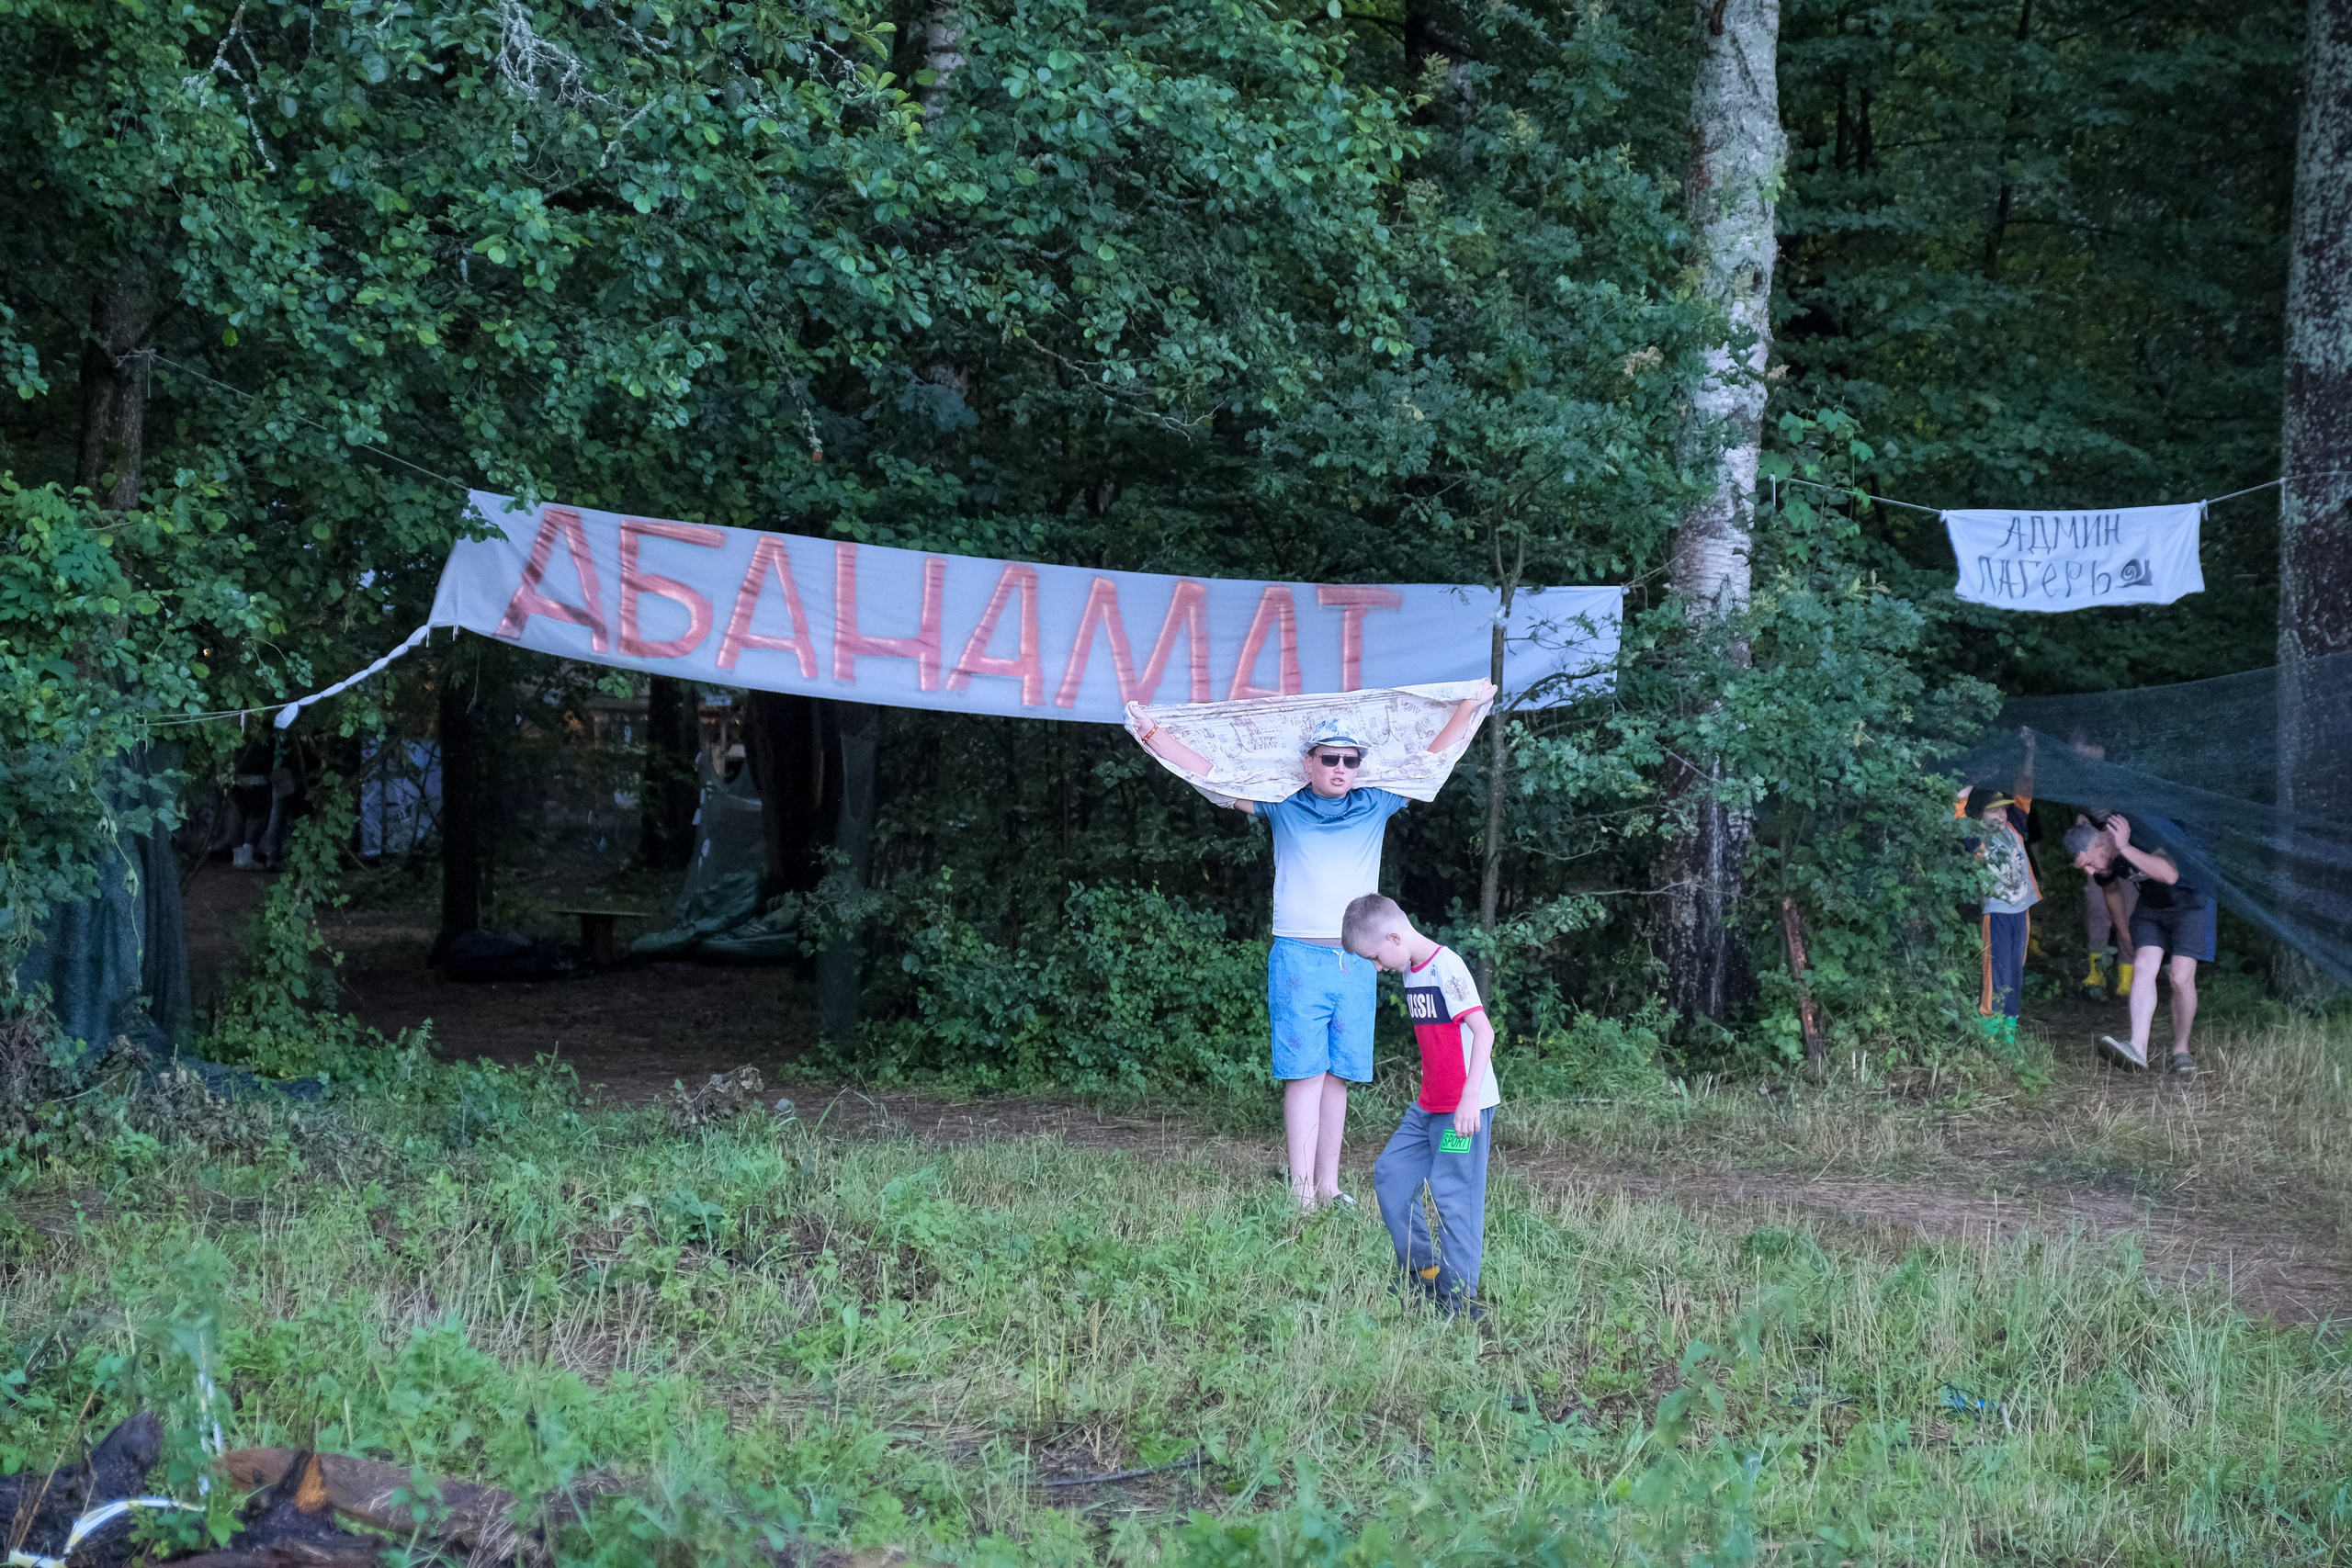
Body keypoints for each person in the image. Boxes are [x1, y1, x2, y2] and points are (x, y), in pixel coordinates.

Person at [1130, 682, 1493, 1210]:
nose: (1341, 768)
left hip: (1358, 962)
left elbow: (1431, 760)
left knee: (1340, 1074)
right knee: (1304, 1073)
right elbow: (1212, 775)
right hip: (1298, 957)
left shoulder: (1376, 804)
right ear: (1309, 763)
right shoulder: (1284, 806)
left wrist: (1469, 706)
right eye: (1330, 760)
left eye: (1350, 759)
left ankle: (1329, 1185)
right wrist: (1153, 734)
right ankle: (1300, 1190)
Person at [1341, 893, 1496, 1318]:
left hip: (1464, 1110)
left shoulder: (1447, 966)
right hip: (1430, 1106)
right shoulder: (1411, 970)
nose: (1377, 967)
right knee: (1391, 1175)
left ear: (1394, 936)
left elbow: (1484, 1034)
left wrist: (1468, 1099)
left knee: (1454, 1196)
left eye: (1375, 957)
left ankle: (1459, 1299)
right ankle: (1423, 1273)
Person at [2064, 813, 2209, 1078]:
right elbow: (2111, 891)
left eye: (2088, 864)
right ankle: (2137, 1048)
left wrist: (2126, 847)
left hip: (2191, 903)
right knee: (2143, 965)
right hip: (2151, 906)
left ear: (2099, 846)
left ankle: (2181, 1049)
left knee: (2180, 977)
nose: (2090, 871)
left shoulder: (2137, 832)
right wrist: (2123, 932)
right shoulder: (2104, 861)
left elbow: (2170, 875)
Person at [1968, 791, 2040, 1036]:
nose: (2001, 814)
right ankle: (1989, 1026)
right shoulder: (1975, 836)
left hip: (2021, 910)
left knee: (2015, 971)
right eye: (1993, 810)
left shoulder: (2013, 826)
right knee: (1997, 971)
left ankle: (2009, 1026)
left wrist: (2029, 753)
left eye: (2003, 809)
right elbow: (1956, 813)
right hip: (1997, 911)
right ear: (1979, 814)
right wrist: (1971, 781)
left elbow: (2024, 795)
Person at [2075, 810, 2137, 997]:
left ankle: (2127, 975)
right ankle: (2097, 972)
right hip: (2096, 846)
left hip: (2129, 845)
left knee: (2129, 911)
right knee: (2098, 908)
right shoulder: (2083, 785)